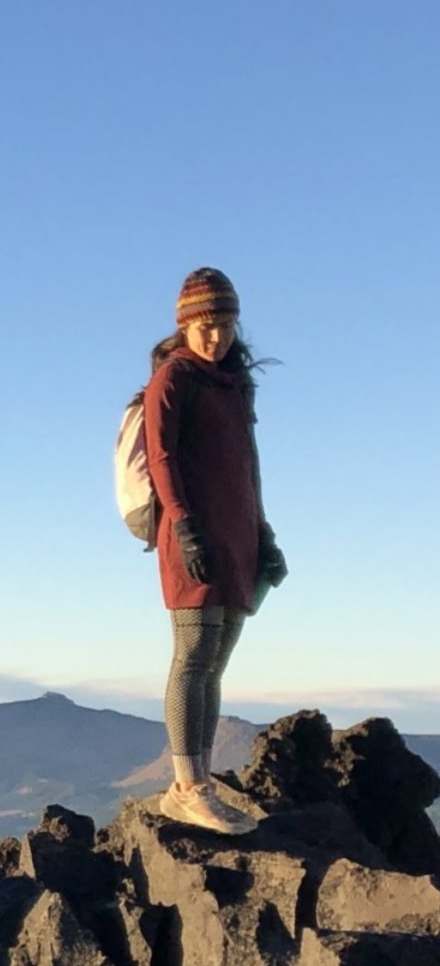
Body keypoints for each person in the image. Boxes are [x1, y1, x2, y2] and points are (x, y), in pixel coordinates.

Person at [141, 268, 287, 834]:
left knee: (216, 659)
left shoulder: (232, 386)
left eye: (224, 325)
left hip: (238, 536)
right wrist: (183, 526)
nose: (216, 337)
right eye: (205, 325)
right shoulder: (174, 380)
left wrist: (264, 533)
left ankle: (199, 781)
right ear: (184, 326)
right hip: (194, 538)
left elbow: (247, 467)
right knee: (194, 654)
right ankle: (186, 787)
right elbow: (162, 460)